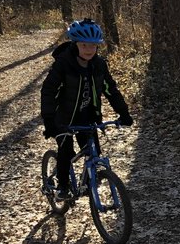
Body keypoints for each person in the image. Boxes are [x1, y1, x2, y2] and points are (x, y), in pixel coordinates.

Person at [40, 18, 133, 199]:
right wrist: (49, 121)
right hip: (63, 118)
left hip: (87, 116)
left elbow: (110, 90)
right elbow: (48, 92)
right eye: (84, 45)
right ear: (76, 44)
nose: (89, 50)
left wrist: (124, 113)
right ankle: (63, 187)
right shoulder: (63, 64)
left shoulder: (98, 65)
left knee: (94, 152)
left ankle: (90, 181)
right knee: (66, 151)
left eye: (93, 46)